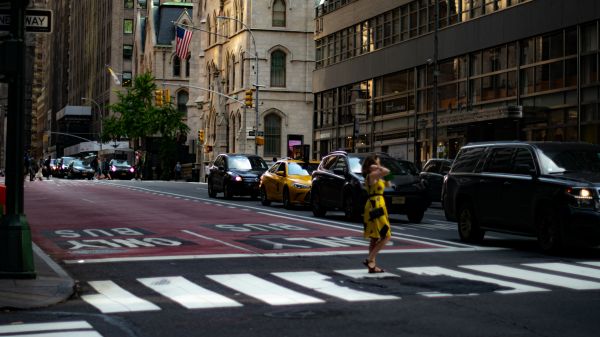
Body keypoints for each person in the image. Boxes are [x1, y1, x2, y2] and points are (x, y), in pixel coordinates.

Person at [361, 154, 391, 273]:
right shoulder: (372, 175)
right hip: (376, 206)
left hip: (377, 205)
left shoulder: (377, 176)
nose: (379, 165)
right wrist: (378, 166)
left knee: (374, 237)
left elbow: (389, 179)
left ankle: (372, 266)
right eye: (377, 163)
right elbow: (387, 170)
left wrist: (385, 176)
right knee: (386, 235)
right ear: (371, 166)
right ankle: (370, 259)